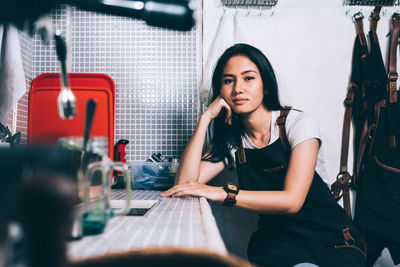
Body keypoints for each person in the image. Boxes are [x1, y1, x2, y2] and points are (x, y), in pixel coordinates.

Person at [161, 43, 366, 267]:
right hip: (279, 243)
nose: (238, 88)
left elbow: (292, 201)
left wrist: (221, 193)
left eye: (248, 78)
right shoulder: (232, 141)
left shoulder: (298, 124)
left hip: (332, 240)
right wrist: (205, 119)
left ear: (265, 86)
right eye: (228, 80)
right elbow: (185, 185)